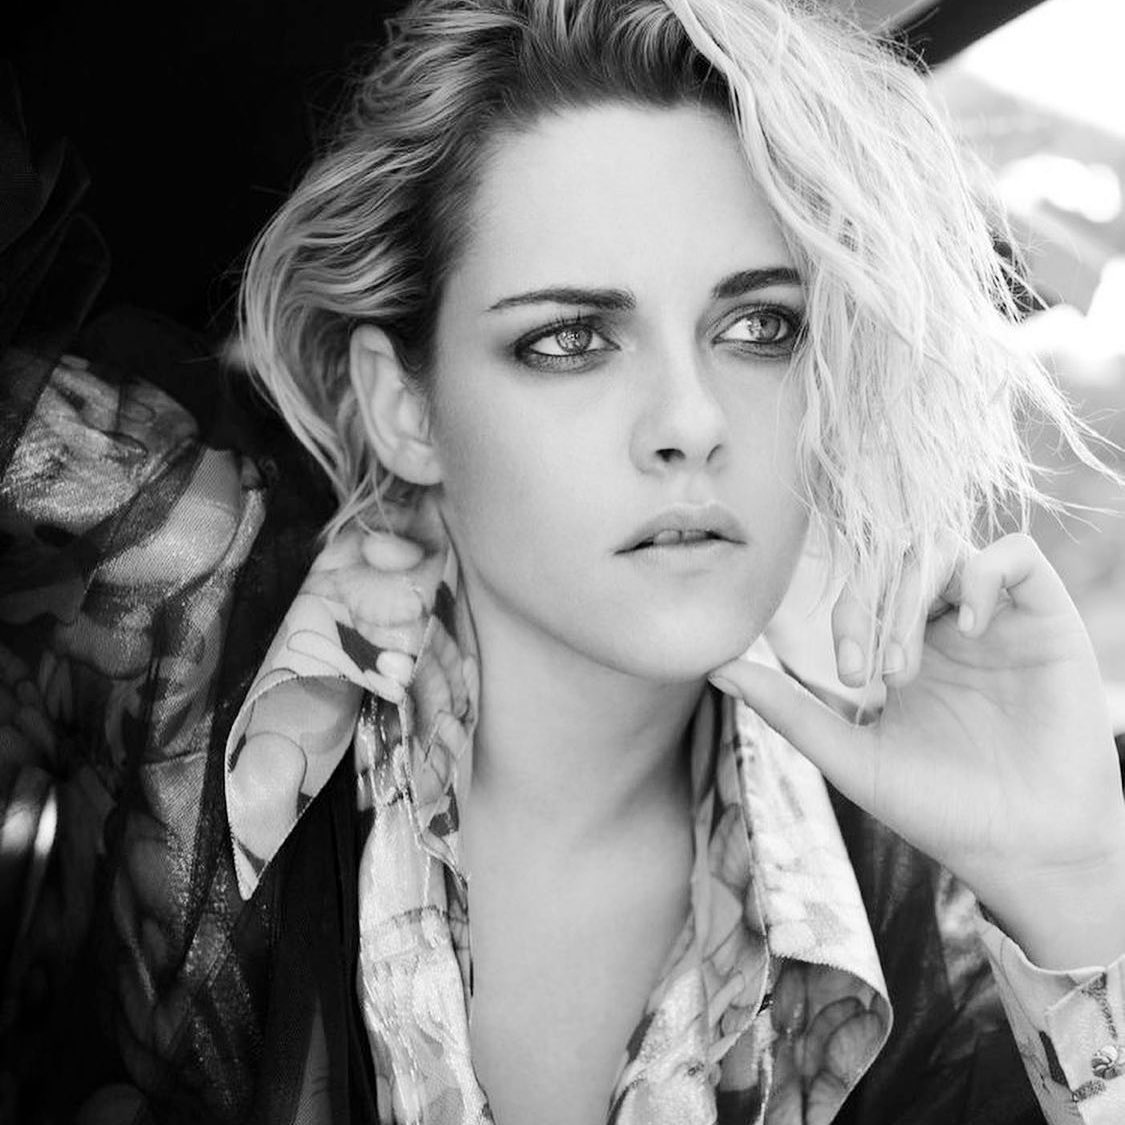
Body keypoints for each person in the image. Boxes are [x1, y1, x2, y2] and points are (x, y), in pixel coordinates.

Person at [2, 0, 1124, 1122]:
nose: (692, 421)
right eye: (571, 339)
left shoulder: (909, 914)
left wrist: (1068, 885)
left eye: (758, 327)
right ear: (405, 408)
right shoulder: (174, 593)